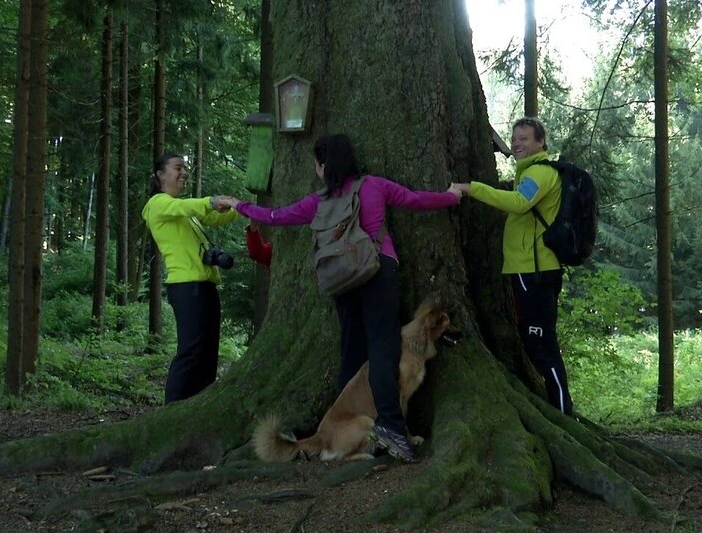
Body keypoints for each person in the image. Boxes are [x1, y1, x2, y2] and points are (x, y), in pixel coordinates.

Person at [215, 134, 462, 462]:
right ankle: (389, 427)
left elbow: (277, 216)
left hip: (341, 277)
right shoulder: (374, 185)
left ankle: (339, 427)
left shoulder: (318, 201)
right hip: (376, 269)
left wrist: (239, 205)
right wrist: (451, 195)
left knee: (352, 348)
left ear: (323, 166)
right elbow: (416, 199)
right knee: (383, 347)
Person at [450, 117, 573, 415]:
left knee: (542, 346)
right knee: (534, 343)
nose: (517, 143)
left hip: (536, 270)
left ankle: (565, 416)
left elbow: (520, 203)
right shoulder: (528, 173)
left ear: (541, 142)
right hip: (527, 269)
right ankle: (556, 410)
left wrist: (472, 188)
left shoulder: (540, 173)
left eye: (525, 138)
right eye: (515, 138)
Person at [142, 152, 239, 404]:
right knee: (191, 353)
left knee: (208, 355)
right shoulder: (158, 204)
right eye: (177, 168)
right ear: (161, 174)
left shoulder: (183, 213)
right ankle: (172, 412)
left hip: (205, 285)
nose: (184, 172)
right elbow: (190, 206)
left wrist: (239, 206)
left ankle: (198, 408)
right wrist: (213, 199)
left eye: (185, 168)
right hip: (187, 288)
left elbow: (212, 216)